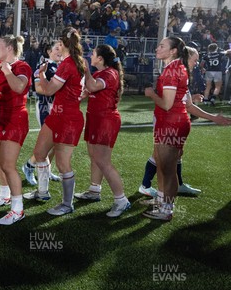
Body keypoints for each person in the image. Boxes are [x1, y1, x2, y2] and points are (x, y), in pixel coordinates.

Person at [138, 46, 231, 199]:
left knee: (176, 154)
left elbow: (183, 101)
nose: (197, 63)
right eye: (195, 60)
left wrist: (191, 98)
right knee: (161, 157)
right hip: (167, 121)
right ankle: (150, 190)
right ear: (186, 58)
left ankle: (172, 190)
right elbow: (171, 103)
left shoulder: (181, 73)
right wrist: (153, 95)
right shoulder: (175, 73)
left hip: (175, 121)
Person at [29, 27, 85, 216]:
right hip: (58, 115)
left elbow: (49, 90)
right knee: (39, 152)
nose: (57, 47)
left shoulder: (68, 64)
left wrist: (40, 75)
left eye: (59, 44)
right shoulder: (74, 62)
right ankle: (42, 192)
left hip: (67, 118)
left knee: (62, 163)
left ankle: (67, 204)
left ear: (63, 44)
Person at [73, 45, 130, 217]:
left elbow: (93, 85)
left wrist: (85, 70)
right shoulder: (101, 73)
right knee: (94, 156)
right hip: (96, 118)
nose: (90, 56)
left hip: (106, 120)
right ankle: (94, 190)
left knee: (103, 161)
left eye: (94, 54)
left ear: (100, 59)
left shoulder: (109, 73)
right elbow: (90, 89)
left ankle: (122, 200)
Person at [0, 35, 32, 225]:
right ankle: (4, 195)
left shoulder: (22, 67)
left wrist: (6, 70)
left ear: (9, 49)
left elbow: (19, 87)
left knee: (8, 164)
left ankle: (18, 209)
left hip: (14, 119)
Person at [141, 37, 191, 221]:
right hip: (169, 122)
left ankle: (167, 209)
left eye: (162, 46)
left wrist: (151, 94)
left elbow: (167, 104)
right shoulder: (174, 67)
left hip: (172, 122)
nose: (157, 48)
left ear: (173, 51)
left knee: (168, 169)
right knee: (162, 167)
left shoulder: (172, 70)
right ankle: (161, 202)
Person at [22, 41, 63, 193]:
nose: (60, 50)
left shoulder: (59, 66)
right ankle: (29, 166)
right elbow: (43, 88)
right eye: (57, 48)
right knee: (47, 142)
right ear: (48, 51)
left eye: (61, 48)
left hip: (58, 108)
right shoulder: (47, 66)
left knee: (55, 143)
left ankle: (47, 169)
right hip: (47, 107)